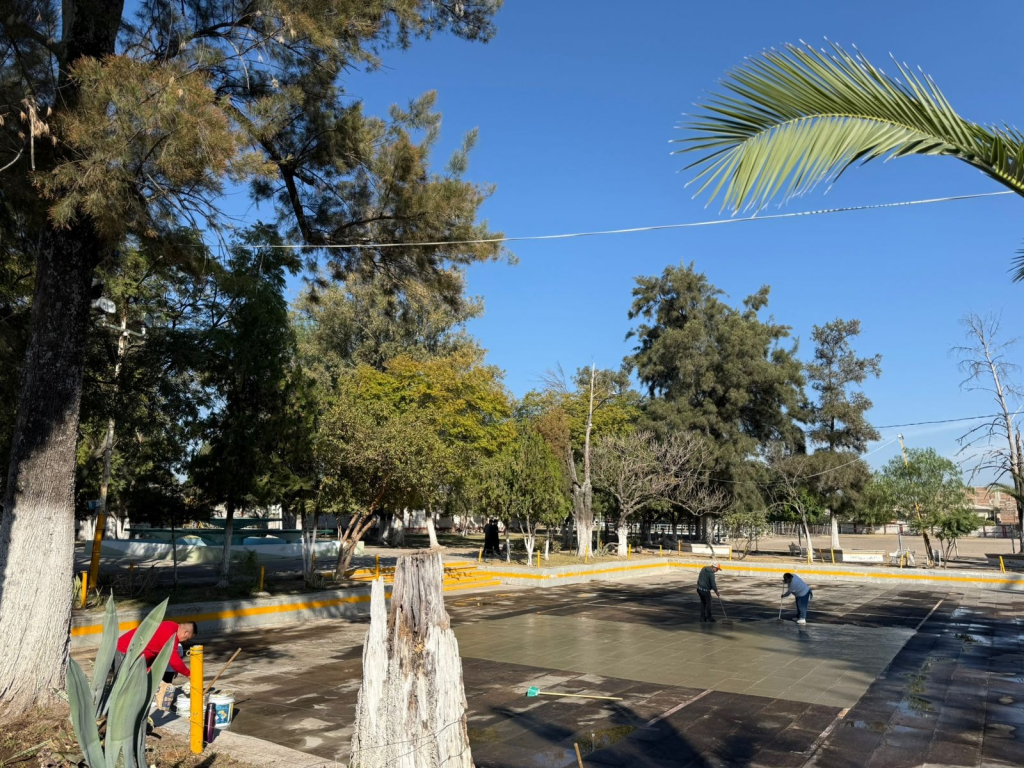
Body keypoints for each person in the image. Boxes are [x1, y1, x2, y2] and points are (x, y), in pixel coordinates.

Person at [116, 620, 197, 683]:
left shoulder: (170, 625)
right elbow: (173, 659)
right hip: (124, 653)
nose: (184, 641)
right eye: (187, 639)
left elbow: (154, 650)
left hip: (129, 654)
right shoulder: (171, 634)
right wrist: (188, 674)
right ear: (185, 633)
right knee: (123, 686)